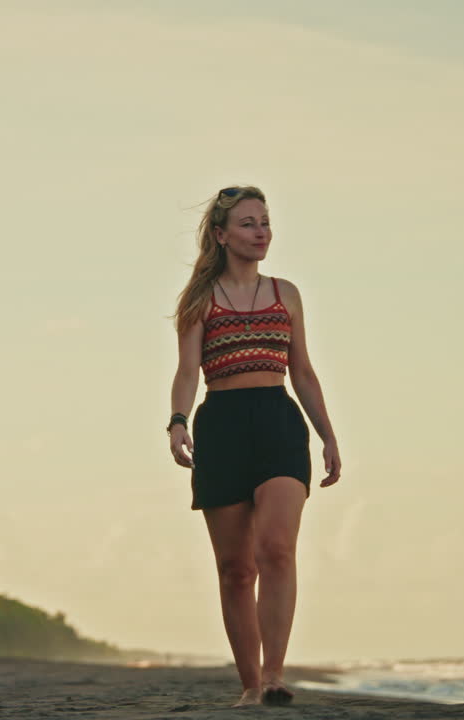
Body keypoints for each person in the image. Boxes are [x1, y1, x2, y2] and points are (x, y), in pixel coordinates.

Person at [167, 185, 341, 707]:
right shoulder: (200, 301)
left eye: (264, 221)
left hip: (279, 422)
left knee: (276, 549)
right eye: (248, 223)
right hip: (221, 427)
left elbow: (304, 372)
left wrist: (329, 435)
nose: (261, 231)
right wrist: (177, 422)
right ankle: (249, 684)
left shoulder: (285, 293)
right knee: (235, 569)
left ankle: (273, 676)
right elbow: (186, 372)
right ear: (221, 235)